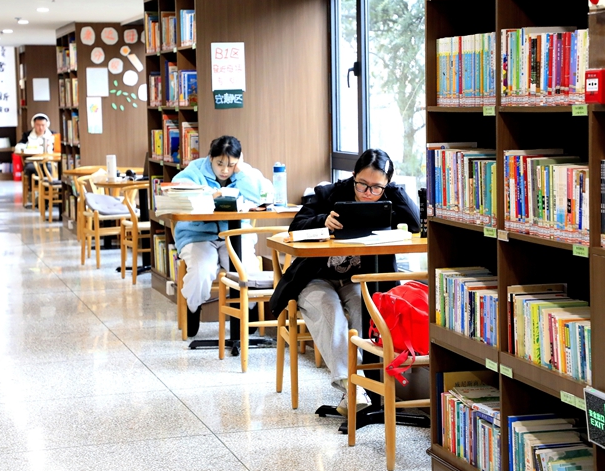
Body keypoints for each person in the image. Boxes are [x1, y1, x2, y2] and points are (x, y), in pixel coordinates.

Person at [270, 148, 420, 415]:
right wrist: (322, 221)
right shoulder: (329, 194)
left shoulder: (387, 200)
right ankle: (353, 388)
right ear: (353, 176)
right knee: (329, 310)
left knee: (368, 310)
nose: (367, 193)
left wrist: (390, 189)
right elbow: (296, 226)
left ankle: (363, 390)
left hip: (358, 280)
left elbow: (415, 223)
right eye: (362, 184)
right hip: (316, 277)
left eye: (376, 187)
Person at [172, 135, 268, 337]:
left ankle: (247, 310)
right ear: (210, 158)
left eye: (231, 165)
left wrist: (241, 172)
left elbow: (261, 194)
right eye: (219, 164)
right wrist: (209, 195)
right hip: (197, 236)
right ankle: (193, 307)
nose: (225, 170)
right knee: (202, 270)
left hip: (235, 235)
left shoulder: (244, 172)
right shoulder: (195, 170)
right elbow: (177, 190)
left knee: (247, 269)